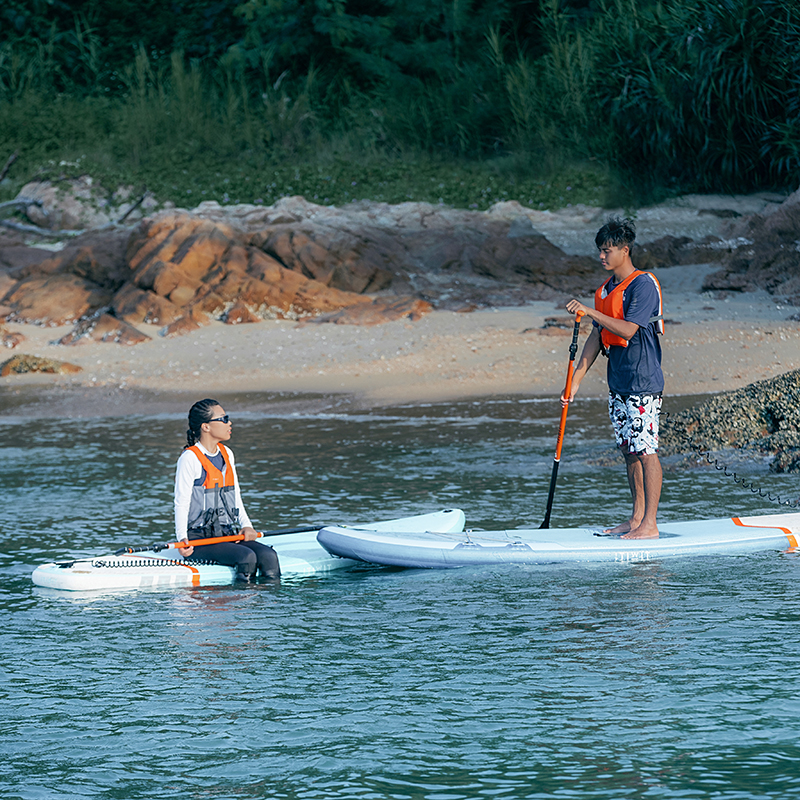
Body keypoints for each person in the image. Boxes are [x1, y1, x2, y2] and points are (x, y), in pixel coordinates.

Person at [562, 217, 665, 539]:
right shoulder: (606, 290)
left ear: (625, 250)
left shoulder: (643, 285)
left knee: (646, 450)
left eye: (607, 251)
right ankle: (636, 519)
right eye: (599, 251)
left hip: (643, 381)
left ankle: (650, 524)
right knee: (629, 449)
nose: (602, 257)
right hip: (618, 381)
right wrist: (575, 380)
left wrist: (591, 312)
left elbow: (627, 329)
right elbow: (597, 337)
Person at [175, 398, 280, 581]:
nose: (229, 423)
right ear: (206, 427)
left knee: (269, 557)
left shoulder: (227, 453)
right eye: (224, 419)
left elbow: (235, 495)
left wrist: (246, 526)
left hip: (227, 533)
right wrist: (182, 539)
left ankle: (269, 607)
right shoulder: (190, 458)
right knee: (246, 557)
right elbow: (181, 503)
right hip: (199, 540)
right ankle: (239, 606)